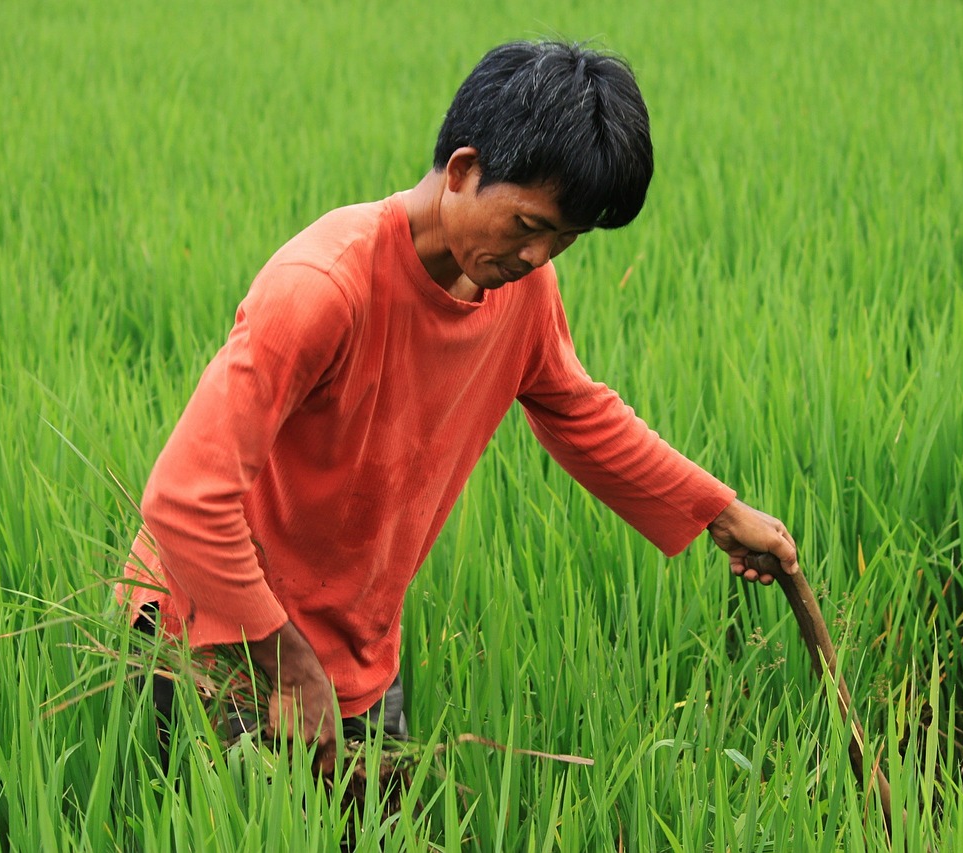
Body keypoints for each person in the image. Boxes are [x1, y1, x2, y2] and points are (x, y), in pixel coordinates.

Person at [121, 39, 799, 773]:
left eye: (565, 238)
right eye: (529, 225)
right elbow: (186, 499)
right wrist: (284, 662)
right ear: (464, 171)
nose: (540, 257)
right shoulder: (321, 286)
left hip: (354, 642)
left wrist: (719, 514)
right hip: (222, 633)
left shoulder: (519, 291)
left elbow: (579, 412)